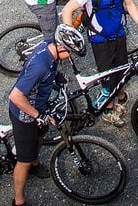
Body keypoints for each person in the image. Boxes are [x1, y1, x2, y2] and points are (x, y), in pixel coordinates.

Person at [60, 0, 138, 127]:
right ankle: (107, 109)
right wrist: (70, 37)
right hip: (100, 40)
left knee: (122, 68)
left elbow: (130, 5)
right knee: (107, 75)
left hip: (119, 35)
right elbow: (67, 10)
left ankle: (119, 95)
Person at [9, 24, 87, 206]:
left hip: (39, 107)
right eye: (70, 52)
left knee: (42, 134)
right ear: (60, 47)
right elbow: (16, 96)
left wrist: (57, 76)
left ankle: (35, 164)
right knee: (23, 160)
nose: (72, 56)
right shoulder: (40, 66)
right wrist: (37, 115)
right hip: (25, 114)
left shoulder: (48, 45)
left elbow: (51, 68)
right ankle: (18, 200)